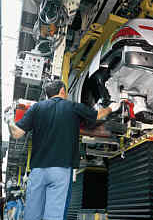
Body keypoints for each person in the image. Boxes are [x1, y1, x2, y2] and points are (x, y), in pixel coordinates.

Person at [4, 80, 120, 220]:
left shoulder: (36, 108)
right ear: (62, 91)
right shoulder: (71, 106)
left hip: (37, 172)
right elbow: (96, 116)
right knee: (54, 215)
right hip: (60, 170)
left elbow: (16, 133)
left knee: (32, 215)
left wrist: (9, 120)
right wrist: (112, 108)